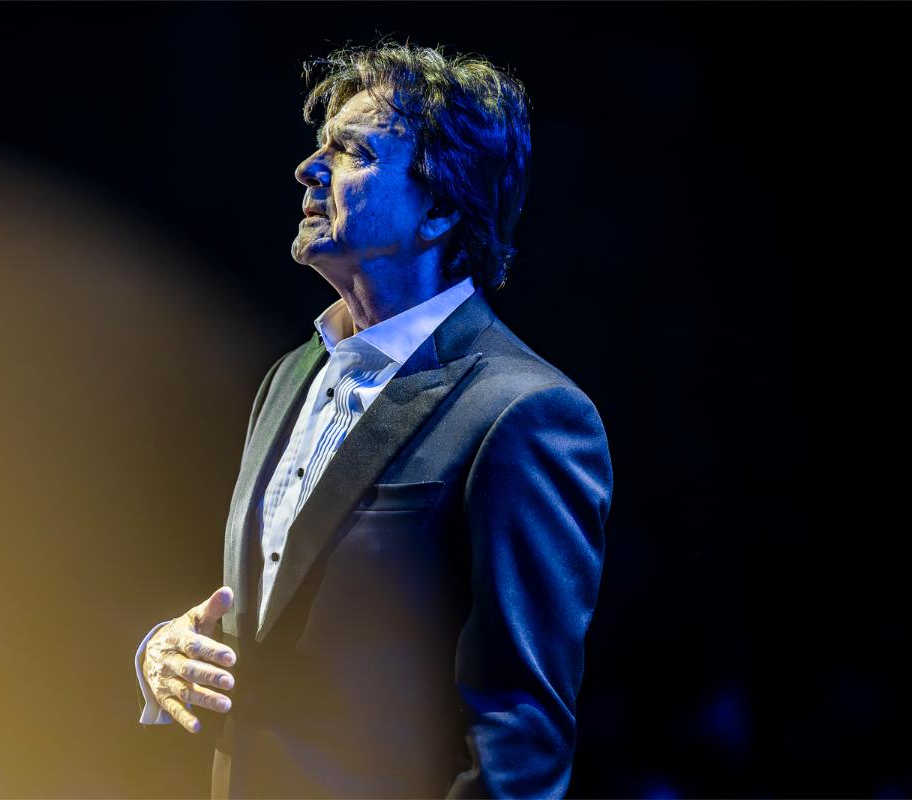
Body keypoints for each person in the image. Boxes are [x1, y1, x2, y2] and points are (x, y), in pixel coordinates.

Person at [133, 42, 613, 799]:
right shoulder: (289, 378)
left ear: (441, 208)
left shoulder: (524, 414)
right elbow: (284, 617)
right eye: (319, 146)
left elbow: (518, 742)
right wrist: (165, 650)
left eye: (352, 152)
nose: (308, 169)